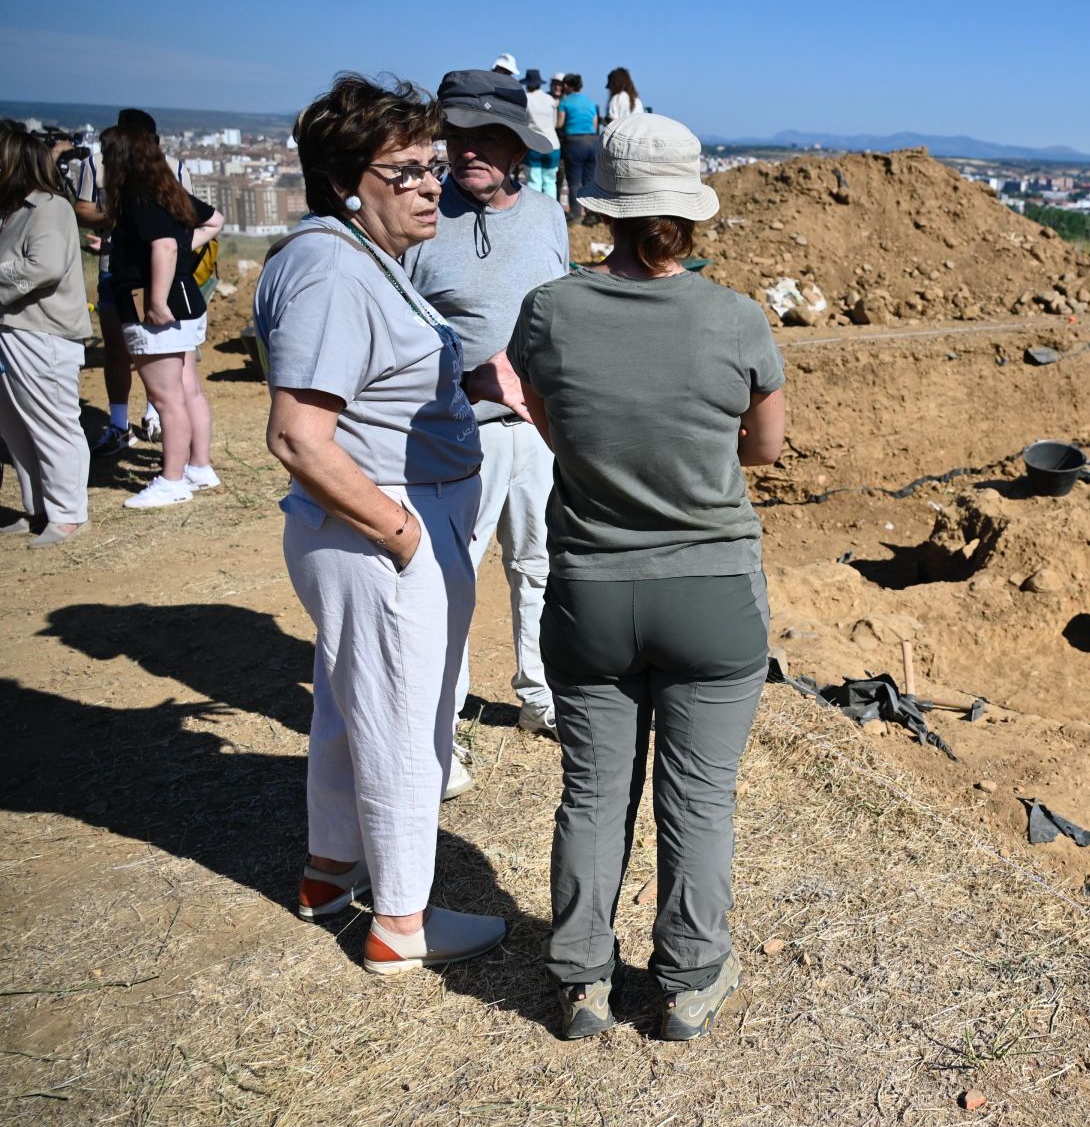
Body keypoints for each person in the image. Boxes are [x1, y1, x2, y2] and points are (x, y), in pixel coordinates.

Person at [508, 111, 785, 1041]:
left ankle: (581, 979)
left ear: (608, 211)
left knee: (592, 793)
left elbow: (549, 417)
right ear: (691, 214)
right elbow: (767, 447)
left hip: (590, 592)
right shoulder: (737, 317)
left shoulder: (550, 308)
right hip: (711, 593)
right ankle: (688, 981)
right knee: (698, 798)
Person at [254, 73, 508, 973]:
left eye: (431, 164)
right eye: (405, 169)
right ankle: (402, 922)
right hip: (380, 525)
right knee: (407, 722)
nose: (431, 183)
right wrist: (400, 534)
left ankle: (332, 870)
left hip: (374, 522)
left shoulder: (355, 258)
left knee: (348, 705)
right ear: (342, 181)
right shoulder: (329, 266)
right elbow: (297, 433)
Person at [407, 70, 568, 746]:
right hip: (454, 433)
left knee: (539, 566)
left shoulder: (547, 215)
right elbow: (393, 332)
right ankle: (445, 720)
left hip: (538, 431)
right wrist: (465, 376)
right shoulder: (418, 219)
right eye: (458, 136)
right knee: (450, 579)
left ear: (516, 147)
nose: (468, 150)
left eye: (486, 138)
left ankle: (543, 698)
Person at [100, 125, 223, 509]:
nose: (102, 162)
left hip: (157, 308)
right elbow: (213, 220)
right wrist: (184, 253)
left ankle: (172, 479)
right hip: (185, 303)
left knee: (167, 399)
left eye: (106, 155)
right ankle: (198, 466)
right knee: (187, 392)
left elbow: (166, 245)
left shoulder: (139, 197)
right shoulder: (167, 191)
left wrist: (155, 299)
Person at [0, 124, 92, 546]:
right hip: (17, 331)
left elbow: (45, 265)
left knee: (52, 423)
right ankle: (40, 508)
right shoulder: (17, 210)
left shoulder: (49, 207)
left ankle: (68, 514)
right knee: (17, 427)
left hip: (44, 333)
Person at [80, 110, 184, 458]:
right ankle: (119, 424)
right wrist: (121, 215)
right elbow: (81, 211)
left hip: (159, 275)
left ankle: (156, 416)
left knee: (158, 353)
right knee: (116, 348)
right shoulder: (96, 165)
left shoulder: (175, 167)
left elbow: (191, 218)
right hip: (115, 269)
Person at [556, 75, 599, 222]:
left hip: (575, 142)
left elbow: (560, 123)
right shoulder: (590, 102)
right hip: (592, 141)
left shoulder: (565, 101)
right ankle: (591, 214)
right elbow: (594, 124)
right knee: (589, 180)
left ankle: (575, 214)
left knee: (574, 181)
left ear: (567, 85)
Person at [520, 70, 561, 200]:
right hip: (553, 143)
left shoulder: (525, 98)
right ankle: (551, 212)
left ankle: (534, 214)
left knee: (534, 181)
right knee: (550, 182)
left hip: (533, 144)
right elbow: (554, 123)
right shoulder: (550, 99)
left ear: (527, 84)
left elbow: (522, 122)